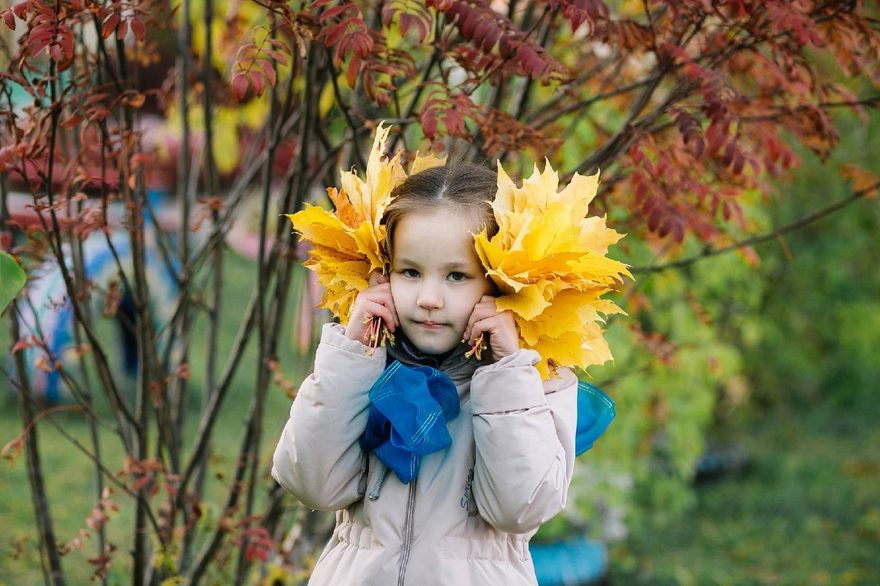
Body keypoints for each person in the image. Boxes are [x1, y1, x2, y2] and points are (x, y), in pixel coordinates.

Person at [272, 162, 578, 585]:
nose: (429, 298)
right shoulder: (365, 367)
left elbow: (518, 507)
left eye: (457, 276)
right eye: (410, 272)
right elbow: (310, 483)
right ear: (384, 273)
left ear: (500, 284)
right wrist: (351, 355)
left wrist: (506, 372)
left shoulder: (535, 382)